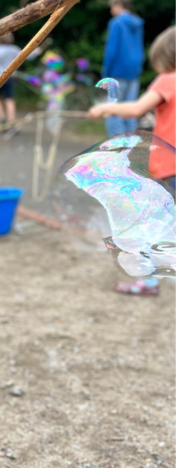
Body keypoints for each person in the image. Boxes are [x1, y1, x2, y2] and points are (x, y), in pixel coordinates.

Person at [89, 26, 175, 296]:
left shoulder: (166, 80)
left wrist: (105, 108)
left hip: (169, 165)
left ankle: (147, 281)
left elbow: (137, 108)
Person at [102, 0, 144, 137]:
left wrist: (106, 74)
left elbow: (112, 51)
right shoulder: (138, 23)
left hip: (117, 71)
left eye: (111, 6)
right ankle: (130, 146)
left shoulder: (116, 23)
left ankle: (117, 146)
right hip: (134, 71)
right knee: (130, 110)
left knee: (113, 110)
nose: (110, 10)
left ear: (118, 4)